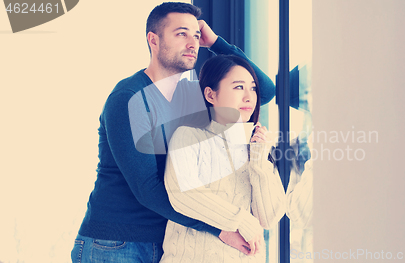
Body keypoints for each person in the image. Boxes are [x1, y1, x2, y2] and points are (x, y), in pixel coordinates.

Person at [71, 2, 275, 263]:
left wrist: (216, 44)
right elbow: (147, 188)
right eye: (181, 34)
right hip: (115, 244)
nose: (192, 43)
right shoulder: (129, 98)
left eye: (196, 35)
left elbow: (265, 92)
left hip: (167, 241)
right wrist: (220, 228)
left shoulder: (192, 96)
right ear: (153, 40)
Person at [161, 55, 286, 262]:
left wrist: (258, 160)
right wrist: (242, 219)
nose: (249, 97)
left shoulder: (257, 150)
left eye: (253, 88)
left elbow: (270, 218)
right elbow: (182, 194)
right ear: (210, 94)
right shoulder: (188, 136)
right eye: (238, 87)